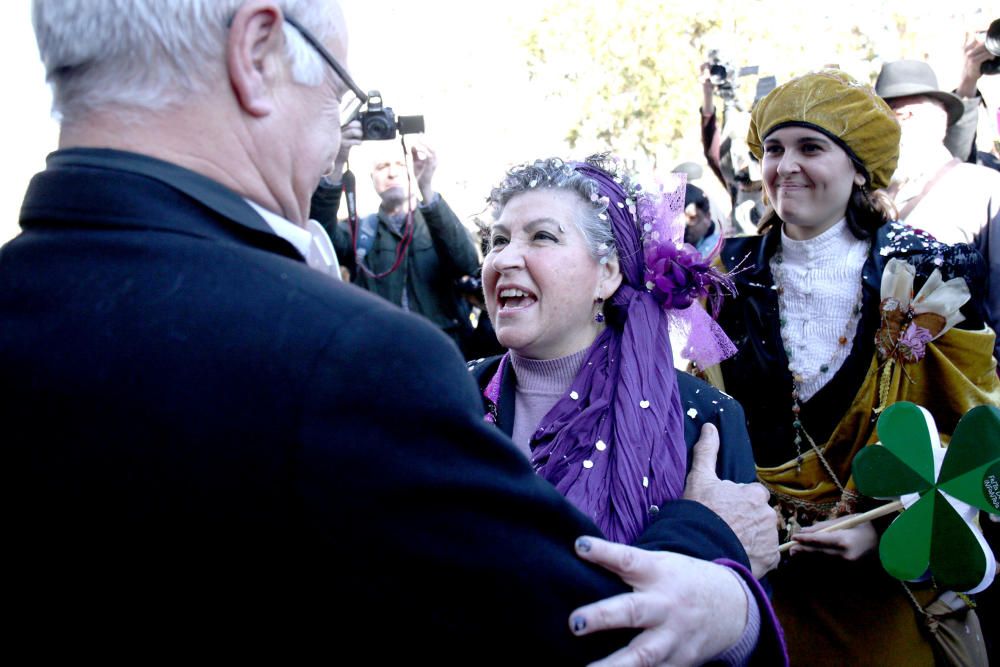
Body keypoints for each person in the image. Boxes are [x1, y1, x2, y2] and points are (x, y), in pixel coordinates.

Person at [4, 1, 787, 663]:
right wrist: (714, 550)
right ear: (256, 53)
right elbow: (574, 632)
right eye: (337, 98)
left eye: (541, 238)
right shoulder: (350, 362)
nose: (331, 146)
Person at [714, 68, 999, 665]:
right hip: (759, 587)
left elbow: (977, 430)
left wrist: (883, 526)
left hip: (884, 595)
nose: (785, 166)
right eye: (773, 149)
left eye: (811, 147)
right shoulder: (722, 278)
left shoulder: (930, 272)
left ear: (859, 167)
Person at [469, 155, 780, 581]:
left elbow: (742, 616)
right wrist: (703, 538)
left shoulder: (705, 418)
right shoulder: (448, 399)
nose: (504, 260)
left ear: (608, 275)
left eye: (541, 236)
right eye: (497, 240)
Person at [310, 126, 481, 350]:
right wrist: (338, 161)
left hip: (441, 352)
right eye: (382, 167)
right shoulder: (359, 231)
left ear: (414, 170)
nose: (391, 173)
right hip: (378, 352)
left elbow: (466, 263)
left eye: (400, 165)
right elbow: (318, 233)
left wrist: (426, 187)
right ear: (372, 179)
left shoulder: (439, 223)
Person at [875, 59, 1000, 356]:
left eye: (904, 116)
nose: (892, 129)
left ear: (939, 121)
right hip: (879, 387)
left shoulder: (985, 188)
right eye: (881, 120)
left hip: (964, 383)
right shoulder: (865, 199)